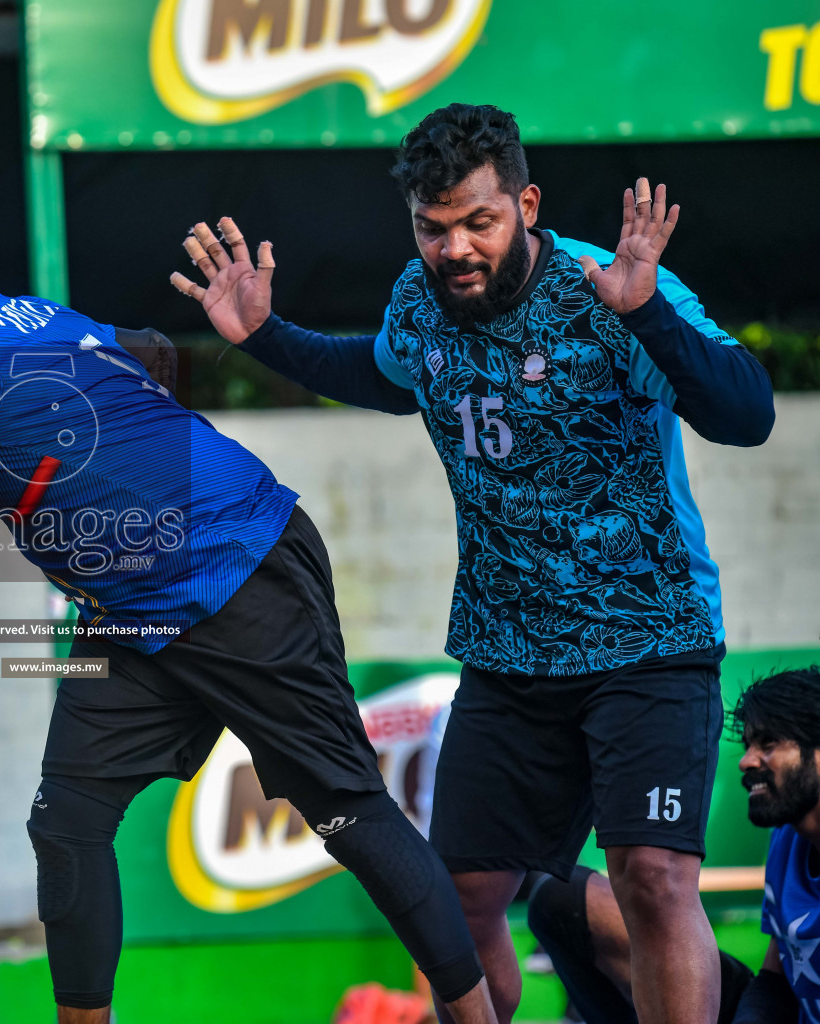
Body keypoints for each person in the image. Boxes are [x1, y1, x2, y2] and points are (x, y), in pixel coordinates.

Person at [0, 197, 500, 1024]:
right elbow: (148, 355)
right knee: (67, 823)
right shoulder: (21, 316)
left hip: (234, 564)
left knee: (349, 816)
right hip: (132, 607)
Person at [170, 102, 774, 1024]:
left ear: (526, 204)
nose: (454, 249)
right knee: (458, 904)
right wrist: (266, 337)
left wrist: (648, 313)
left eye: (478, 223)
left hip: (649, 638)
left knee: (651, 877)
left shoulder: (612, 287)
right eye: (433, 226)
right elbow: (384, 376)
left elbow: (747, 414)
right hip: (507, 655)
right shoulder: (418, 302)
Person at [527, 667, 820, 1023]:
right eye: (748, 746)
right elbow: (775, 980)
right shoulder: (787, 837)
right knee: (561, 899)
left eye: (769, 744)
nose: (746, 761)